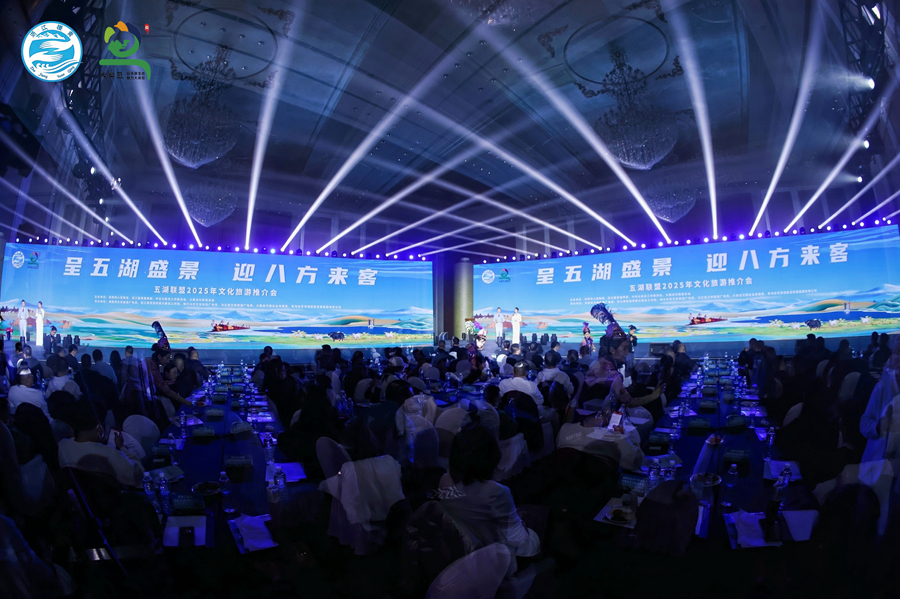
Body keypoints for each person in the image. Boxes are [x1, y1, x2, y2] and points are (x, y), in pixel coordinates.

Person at [440, 423, 541, 571]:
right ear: (489, 457)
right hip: (495, 562)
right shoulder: (496, 492)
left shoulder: (444, 481)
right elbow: (519, 540)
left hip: (461, 554)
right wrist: (525, 529)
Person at [57, 399, 143, 487]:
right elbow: (138, 476)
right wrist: (122, 448)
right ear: (98, 427)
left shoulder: (62, 446)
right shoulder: (110, 455)